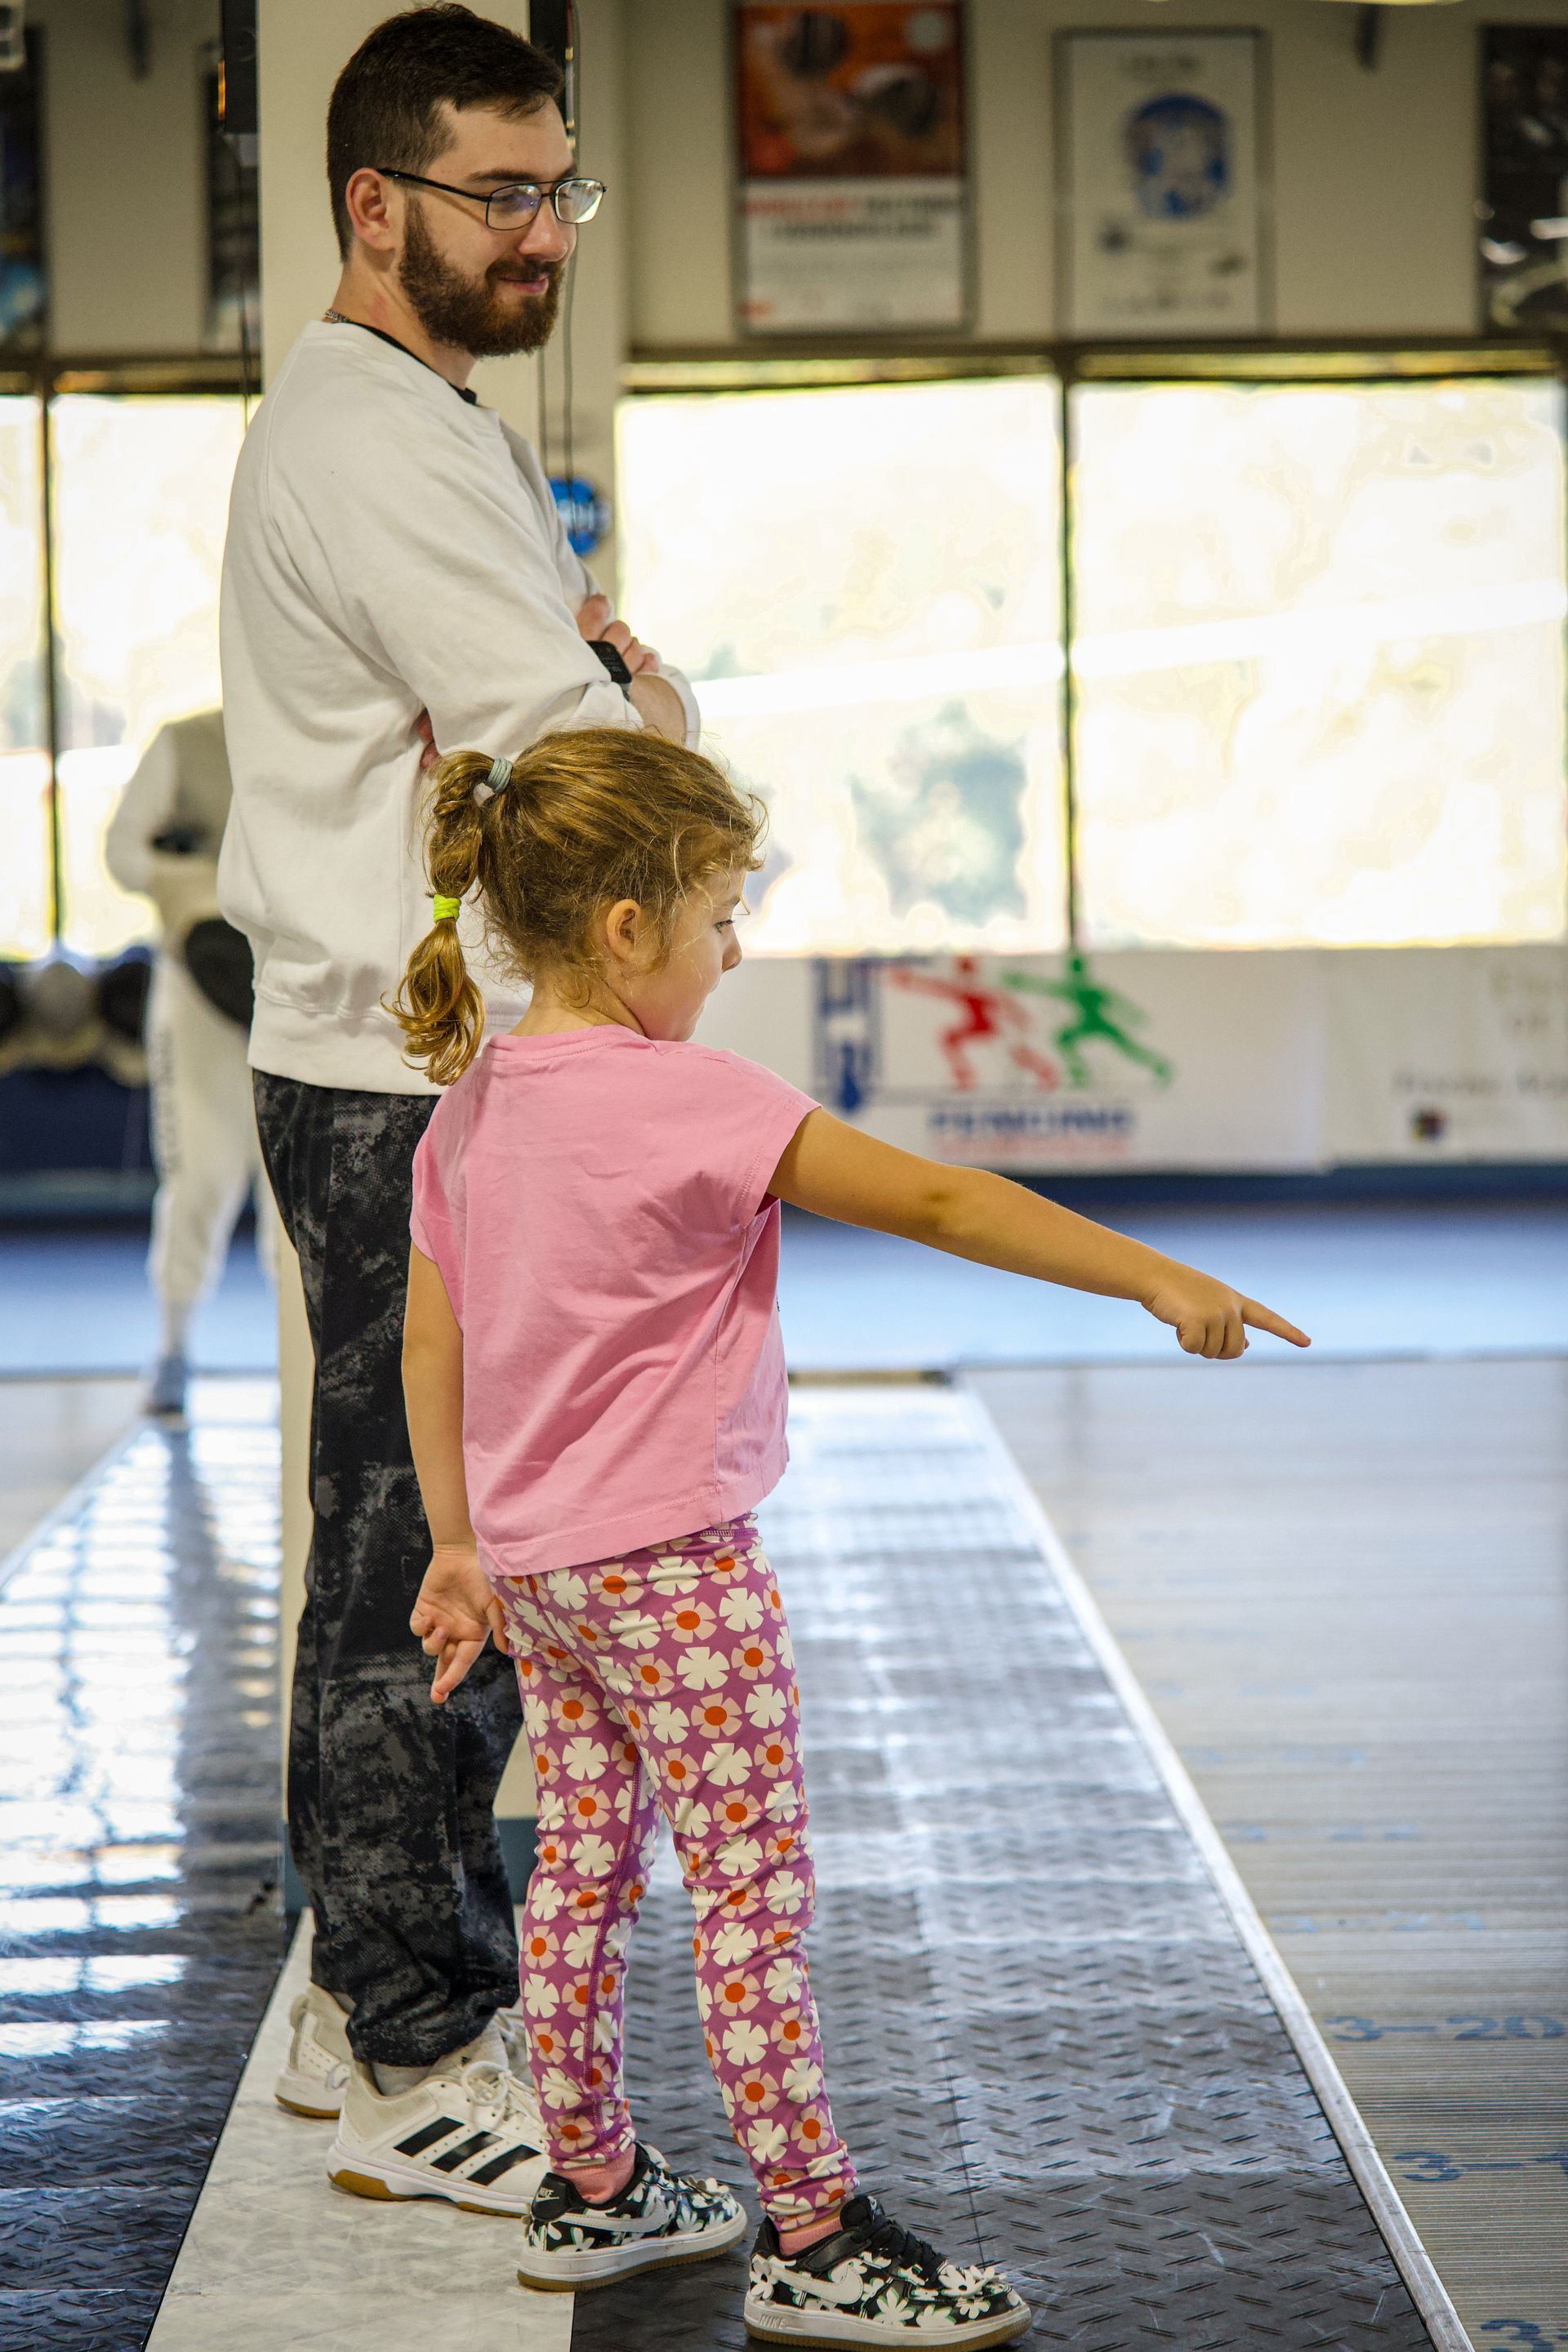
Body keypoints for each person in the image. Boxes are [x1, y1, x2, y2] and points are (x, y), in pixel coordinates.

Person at [389, 726, 1312, 2343]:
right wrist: (1156, 1273)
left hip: (542, 1574)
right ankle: (811, 2236)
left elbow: (431, 1343)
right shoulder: (693, 1102)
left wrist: (457, 1544)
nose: (734, 947)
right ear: (629, 927)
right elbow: (946, 1204)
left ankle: (593, 2184)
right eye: (721, 912)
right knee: (751, 1897)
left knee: (582, 1877)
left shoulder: (470, 1112)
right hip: (679, 1573)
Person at [217, 4, 696, 2185]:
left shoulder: (425, 417)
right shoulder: (379, 437)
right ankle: (414, 2052)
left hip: (396, 1061)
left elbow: (524, 722)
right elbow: (575, 743)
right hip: (403, 1082)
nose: (543, 234)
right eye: (502, 197)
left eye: (558, 190)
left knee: (405, 1547)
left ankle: (363, 2011)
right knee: (435, 1562)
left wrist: (581, 686)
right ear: (373, 205)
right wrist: (632, 687)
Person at [105, 710, 274, 1419]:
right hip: (198, 991)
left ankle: (302, 1361)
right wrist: (198, 881)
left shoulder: (325, 724)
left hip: (299, 988)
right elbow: (123, 853)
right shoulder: (188, 742)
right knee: (199, 1174)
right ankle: (173, 1348)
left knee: (292, 1180)